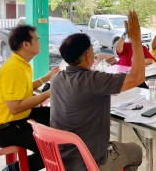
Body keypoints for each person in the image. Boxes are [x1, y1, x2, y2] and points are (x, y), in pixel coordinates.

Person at [50, 11, 144, 171]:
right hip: (90, 162)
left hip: (61, 159)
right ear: (88, 56)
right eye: (92, 51)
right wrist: (136, 40)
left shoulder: (57, 78)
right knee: (136, 151)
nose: (95, 54)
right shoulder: (93, 80)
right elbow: (138, 77)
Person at [0, 25, 60, 171]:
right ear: (26, 44)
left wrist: (45, 78)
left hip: (18, 119)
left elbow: (23, 89)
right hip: (6, 128)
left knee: (57, 115)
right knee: (52, 150)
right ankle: (12, 169)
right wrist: (48, 93)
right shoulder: (14, 68)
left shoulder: (21, 63)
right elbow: (15, 107)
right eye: (37, 40)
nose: (40, 43)